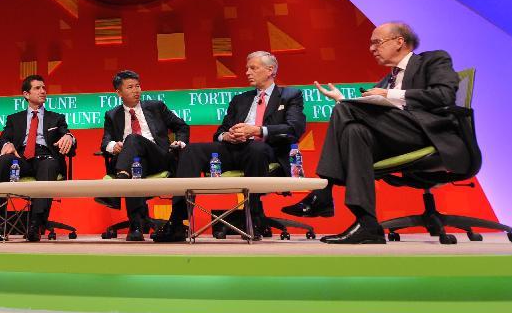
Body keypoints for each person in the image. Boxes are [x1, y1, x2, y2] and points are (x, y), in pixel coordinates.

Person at [282, 21, 470, 244]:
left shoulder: (433, 59)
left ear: (400, 41)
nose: (371, 49)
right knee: (355, 131)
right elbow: (368, 112)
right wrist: (343, 100)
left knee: (348, 113)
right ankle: (367, 223)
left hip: (426, 134)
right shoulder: (387, 79)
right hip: (394, 137)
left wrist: (389, 94)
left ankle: (323, 192)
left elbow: (443, 95)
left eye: (376, 43)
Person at [155, 51, 306, 242]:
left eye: (253, 68)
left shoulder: (290, 95)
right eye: (247, 69)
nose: (248, 72)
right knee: (191, 151)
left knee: (256, 149)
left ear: (270, 70)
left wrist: (256, 130)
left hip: (267, 149)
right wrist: (227, 135)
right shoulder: (240, 99)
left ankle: (253, 214)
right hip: (234, 149)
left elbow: (294, 128)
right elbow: (219, 132)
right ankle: (177, 221)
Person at [100, 70, 189, 241]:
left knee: (133, 139)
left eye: (138, 86)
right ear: (118, 92)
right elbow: (105, 143)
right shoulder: (112, 115)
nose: (136, 90)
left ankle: (120, 183)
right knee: (136, 163)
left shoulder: (156, 107)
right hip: (134, 162)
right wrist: (114, 146)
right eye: (130, 87)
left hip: (159, 157)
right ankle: (136, 226)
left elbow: (181, 126)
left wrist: (181, 142)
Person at [0, 75, 76, 241]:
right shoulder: (14, 119)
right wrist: (6, 144)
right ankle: (0, 221)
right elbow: (2, 139)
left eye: (44, 88)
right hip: (20, 158)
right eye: (37, 88)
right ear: (26, 94)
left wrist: (69, 137)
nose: (43, 91)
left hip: (45, 157)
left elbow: (66, 134)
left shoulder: (56, 118)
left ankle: (35, 224)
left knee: (49, 164)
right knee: (3, 160)